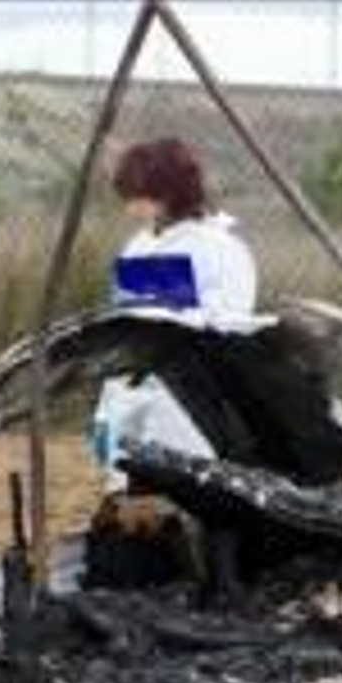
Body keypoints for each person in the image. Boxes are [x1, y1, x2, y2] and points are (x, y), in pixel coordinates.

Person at [91, 137, 258, 489]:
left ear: (166, 194)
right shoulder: (141, 243)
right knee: (126, 476)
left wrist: (163, 318)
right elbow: (129, 308)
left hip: (187, 395)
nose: (129, 207)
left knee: (181, 480)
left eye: (138, 195)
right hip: (133, 382)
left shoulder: (218, 247)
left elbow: (225, 321)